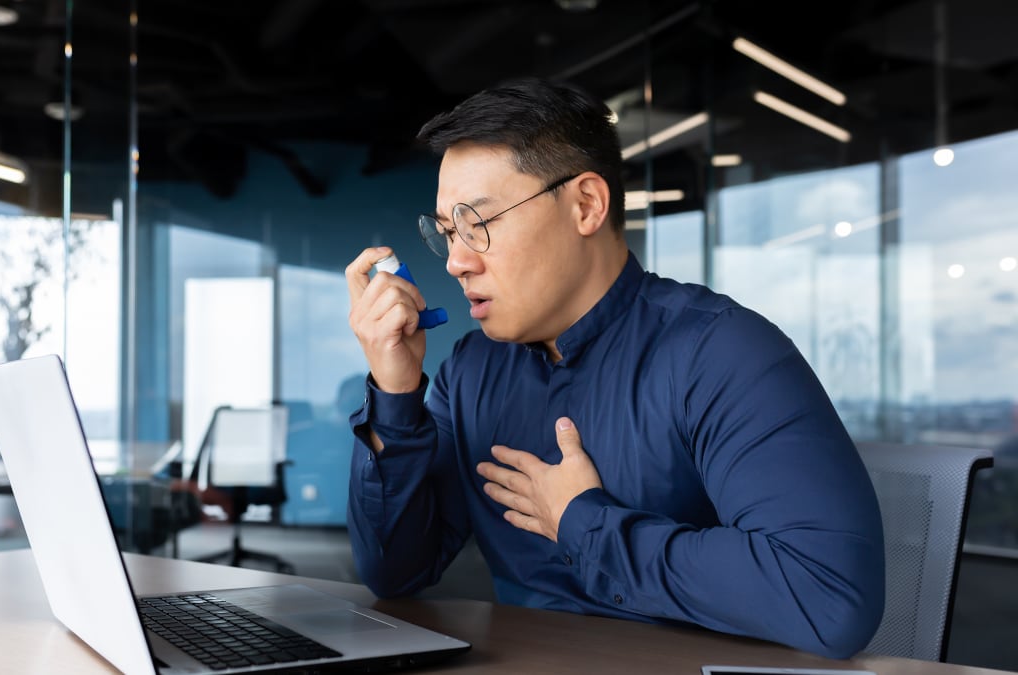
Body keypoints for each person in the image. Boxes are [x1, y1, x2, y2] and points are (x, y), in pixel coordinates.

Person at [343, 77, 885, 660]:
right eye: (448, 230)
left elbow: (830, 598)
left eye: (478, 222)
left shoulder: (721, 351)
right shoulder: (472, 370)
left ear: (586, 205)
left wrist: (583, 522)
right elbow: (395, 572)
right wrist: (395, 391)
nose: (456, 260)